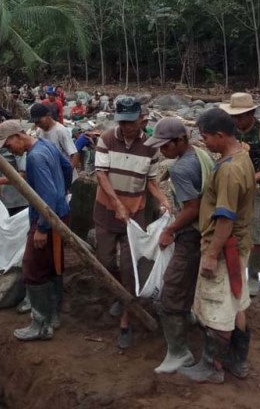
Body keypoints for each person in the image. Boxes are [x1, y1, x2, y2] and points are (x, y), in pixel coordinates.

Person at [179, 107, 255, 384]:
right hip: (239, 245)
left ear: (221, 136)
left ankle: (212, 366)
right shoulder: (242, 158)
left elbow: (225, 218)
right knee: (236, 304)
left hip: (224, 248)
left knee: (216, 309)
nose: (204, 143)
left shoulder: (228, 172)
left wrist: (211, 255)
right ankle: (239, 361)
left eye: (206, 137)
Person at [146, 118, 215, 374]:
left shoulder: (181, 169)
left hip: (191, 235)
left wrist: (170, 229)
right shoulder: (201, 154)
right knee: (188, 283)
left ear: (181, 141)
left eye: (165, 146)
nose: (162, 151)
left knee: (170, 293)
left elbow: (192, 208)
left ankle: (179, 352)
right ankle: (190, 319)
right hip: (207, 232)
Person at [0, 120, 73, 341]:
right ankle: (53, 315)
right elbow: (67, 168)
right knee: (53, 265)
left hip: (46, 219)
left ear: (18, 136)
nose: (10, 150)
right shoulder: (46, 145)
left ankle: (41, 325)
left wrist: (42, 227)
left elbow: (46, 196)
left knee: (33, 269)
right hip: (60, 212)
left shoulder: (35, 157)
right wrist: (62, 190)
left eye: (9, 146)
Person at [93, 96, 162, 349]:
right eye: (122, 122)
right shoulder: (108, 139)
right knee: (106, 260)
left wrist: (164, 200)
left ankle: (125, 319)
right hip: (106, 212)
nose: (126, 127)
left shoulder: (151, 147)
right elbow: (101, 175)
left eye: (130, 123)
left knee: (130, 266)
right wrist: (117, 204)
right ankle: (118, 294)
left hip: (135, 215)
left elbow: (151, 181)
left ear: (141, 119)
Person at [220, 92, 260, 296]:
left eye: (240, 117)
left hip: (257, 189)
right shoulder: (229, 131)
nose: (236, 120)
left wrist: (254, 178)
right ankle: (232, 269)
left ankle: (253, 276)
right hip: (234, 187)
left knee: (255, 233)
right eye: (233, 117)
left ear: (252, 113)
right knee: (229, 227)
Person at [29, 103, 80, 171]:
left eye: (39, 121)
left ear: (47, 115)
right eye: (36, 123)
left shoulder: (60, 130)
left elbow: (74, 154)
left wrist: (68, 173)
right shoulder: (39, 131)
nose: (38, 125)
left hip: (64, 173)